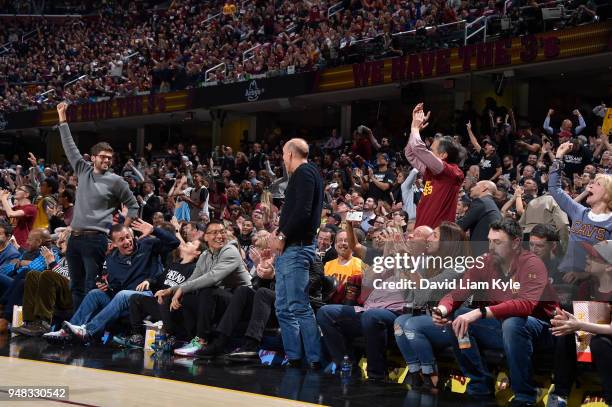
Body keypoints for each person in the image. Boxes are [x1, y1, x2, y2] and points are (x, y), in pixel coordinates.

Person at [432, 219, 558, 405]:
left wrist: (480, 312)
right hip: (504, 326)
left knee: (512, 322)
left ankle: (525, 395)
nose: (491, 247)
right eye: (489, 241)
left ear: (515, 243)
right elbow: (458, 292)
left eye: (498, 242)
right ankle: (479, 383)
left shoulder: (533, 263)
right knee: (457, 322)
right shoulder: (485, 261)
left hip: (545, 329)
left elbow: (525, 305)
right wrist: (442, 309)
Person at [317, 226, 432, 382]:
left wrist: (402, 256)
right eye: (410, 233)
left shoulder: (427, 261)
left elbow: (418, 289)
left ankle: (376, 375)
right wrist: (386, 256)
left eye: (417, 234)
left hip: (398, 315)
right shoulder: (388, 257)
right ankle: (348, 367)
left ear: (427, 243)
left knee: (372, 316)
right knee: (326, 312)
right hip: (368, 310)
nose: (410, 235)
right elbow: (367, 280)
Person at [56, 102, 140, 310]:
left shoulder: (116, 181)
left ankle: (86, 327)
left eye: (110, 158)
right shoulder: (82, 170)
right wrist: (62, 119)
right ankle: (76, 325)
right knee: (74, 285)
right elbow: (69, 146)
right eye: (103, 157)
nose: (107, 160)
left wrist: (124, 228)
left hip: (96, 239)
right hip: (74, 237)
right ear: (92, 158)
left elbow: (133, 205)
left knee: (89, 286)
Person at [44, 219, 179, 342]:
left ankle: (88, 330)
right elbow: (117, 287)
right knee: (94, 294)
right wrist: (108, 288)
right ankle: (67, 331)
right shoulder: (112, 260)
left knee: (122, 295)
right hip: (123, 300)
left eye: (128, 237)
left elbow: (174, 242)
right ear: (114, 243)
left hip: (146, 297)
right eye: (121, 240)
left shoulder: (147, 245)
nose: (127, 241)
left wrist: (154, 230)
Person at [154, 220, 251, 357]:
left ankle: (202, 340)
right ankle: (189, 338)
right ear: (205, 237)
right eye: (214, 232)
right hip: (224, 300)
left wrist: (182, 289)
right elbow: (193, 279)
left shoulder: (231, 250)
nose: (220, 236)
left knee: (207, 290)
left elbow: (212, 277)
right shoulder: (205, 256)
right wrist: (171, 290)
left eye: (222, 232)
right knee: (186, 297)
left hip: (242, 302)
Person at [269, 138, 324, 369]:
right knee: (283, 306)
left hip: (297, 248)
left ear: (290, 154)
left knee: (298, 305)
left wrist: (282, 235)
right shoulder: (307, 174)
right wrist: (280, 230)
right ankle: (294, 356)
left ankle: (314, 359)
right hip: (291, 248)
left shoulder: (304, 173)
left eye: (283, 154)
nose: (282, 158)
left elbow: (303, 212)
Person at [394, 222, 470, 389]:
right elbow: (412, 297)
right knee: (400, 322)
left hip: (452, 324)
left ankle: (430, 373)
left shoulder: (458, 266)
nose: (429, 238)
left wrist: (407, 264)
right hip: (430, 321)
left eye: (434, 235)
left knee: (412, 324)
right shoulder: (431, 264)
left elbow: (426, 291)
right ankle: (415, 371)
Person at [547, 240, 612, 407]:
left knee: (600, 342)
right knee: (565, 332)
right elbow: (581, 320)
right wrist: (565, 320)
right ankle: (560, 396)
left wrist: (579, 325)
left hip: (605, 342)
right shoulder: (586, 287)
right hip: (588, 342)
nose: (587, 258)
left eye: (594, 257)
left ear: (609, 267)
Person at [549, 141, 612, 282]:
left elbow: (609, 261)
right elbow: (554, 188)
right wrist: (558, 156)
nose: (589, 186)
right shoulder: (579, 211)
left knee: (582, 305)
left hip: (591, 283)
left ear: (608, 194)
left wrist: (584, 275)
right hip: (563, 275)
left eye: (597, 184)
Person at [126, 239, 202, 347]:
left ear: (197, 253)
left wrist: (168, 292)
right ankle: (137, 335)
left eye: (192, 243)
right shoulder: (173, 265)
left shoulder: (194, 269)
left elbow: (188, 287)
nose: (188, 242)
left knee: (166, 298)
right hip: (161, 304)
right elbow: (158, 280)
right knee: (135, 298)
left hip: (176, 307)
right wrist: (149, 281)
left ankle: (172, 336)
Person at [404, 103, 464, 228]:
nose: (428, 153)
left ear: (443, 155)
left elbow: (418, 149)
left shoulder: (451, 172)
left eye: (431, 150)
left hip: (437, 237)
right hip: (422, 232)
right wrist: (414, 129)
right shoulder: (430, 172)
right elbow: (410, 153)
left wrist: (415, 128)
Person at [12, 231, 71, 336]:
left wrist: (52, 263)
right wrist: (50, 264)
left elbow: (70, 278)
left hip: (71, 294)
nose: (59, 243)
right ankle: (30, 322)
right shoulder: (63, 258)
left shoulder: (77, 259)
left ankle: (43, 323)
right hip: (57, 294)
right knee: (33, 275)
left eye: (63, 242)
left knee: (46, 274)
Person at [457, 180, 501, 255]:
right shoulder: (490, 203)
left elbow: (460, 226)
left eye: (475, 186)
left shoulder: (481, 202)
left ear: (484, 188)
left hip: (479, 252)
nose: (471, 189)